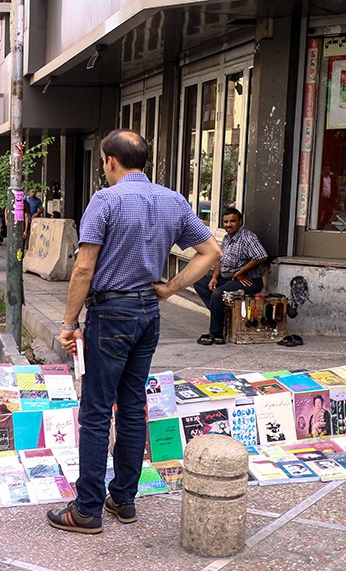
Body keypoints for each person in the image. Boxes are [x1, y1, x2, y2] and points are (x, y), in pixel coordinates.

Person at [46, 129, 221, 535]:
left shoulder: (106, 200)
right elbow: (212, 251)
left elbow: (84, 267)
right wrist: (170, 289)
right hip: (147, 313)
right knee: (131, 404)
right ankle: (123, 498)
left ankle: (86, 508)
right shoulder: (172, 199)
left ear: (110, 160)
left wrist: (69, 323)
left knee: (94, 411)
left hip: (111, 314)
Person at [193, 207, 269, 345]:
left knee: (218, 294)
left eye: (232, 221)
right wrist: (215, 277)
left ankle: (217, 333)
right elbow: (220, 260)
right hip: (227, 279)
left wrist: (241, 272)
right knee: (199, 283)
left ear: (240, 222)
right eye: (226, 222)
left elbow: (261, 256)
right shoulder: (227, 238)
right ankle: (222, 315)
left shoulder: (248, 237)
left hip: (249, 281)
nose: (229, 225)